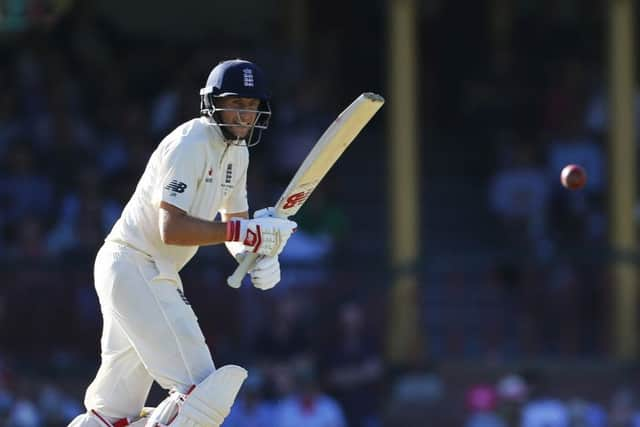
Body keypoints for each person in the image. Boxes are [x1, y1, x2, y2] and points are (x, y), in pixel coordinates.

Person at [69, 59, 298, 427]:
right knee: (202, 393)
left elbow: (235, 225)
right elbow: (171, 229)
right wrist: (245, 234)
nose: (245, 116)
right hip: (135, 264)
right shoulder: (191, 142)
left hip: (142, 273)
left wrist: (259, 254)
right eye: (237, 105)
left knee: (110, 413)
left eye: (252, 107)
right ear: (213, 103)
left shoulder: (239, 153)